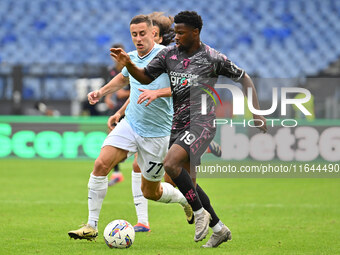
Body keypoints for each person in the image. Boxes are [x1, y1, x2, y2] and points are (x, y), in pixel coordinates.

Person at [110, 11, 267, 248]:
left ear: (195, 33)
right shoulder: (170, 55)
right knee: (187, 183)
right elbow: (143, 78)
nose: (176, 37)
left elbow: (244, 78)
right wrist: (129, 64)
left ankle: (199, 212)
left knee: (170, 164)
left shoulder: (213, 58)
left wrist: (256, 112)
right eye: (176, 32)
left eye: (181, 33)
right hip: (177, 125)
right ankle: (219, 229)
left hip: (202, 123)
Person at [68, 14, 194, 241]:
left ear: (153, 33)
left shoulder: (168, 57)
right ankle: (91, 226)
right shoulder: (132, 58)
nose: (138, 38)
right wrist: (102, 93)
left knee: (151, 192)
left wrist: (157, 92)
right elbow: (123, 80)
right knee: (101, 164)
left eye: (142, 33)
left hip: (157, 134)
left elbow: (186, 85)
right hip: (131, 125)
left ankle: (185, 199)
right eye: (134, 35)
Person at [104, 43, 130, 187]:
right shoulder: (112, 71)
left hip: (130, 108)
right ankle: (117, 173)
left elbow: (141, 90)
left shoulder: (131, 69)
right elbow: (111, 87)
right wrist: (108, 98)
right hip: (116, 109)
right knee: (110, 137)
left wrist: (124, 93)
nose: (115, 58)